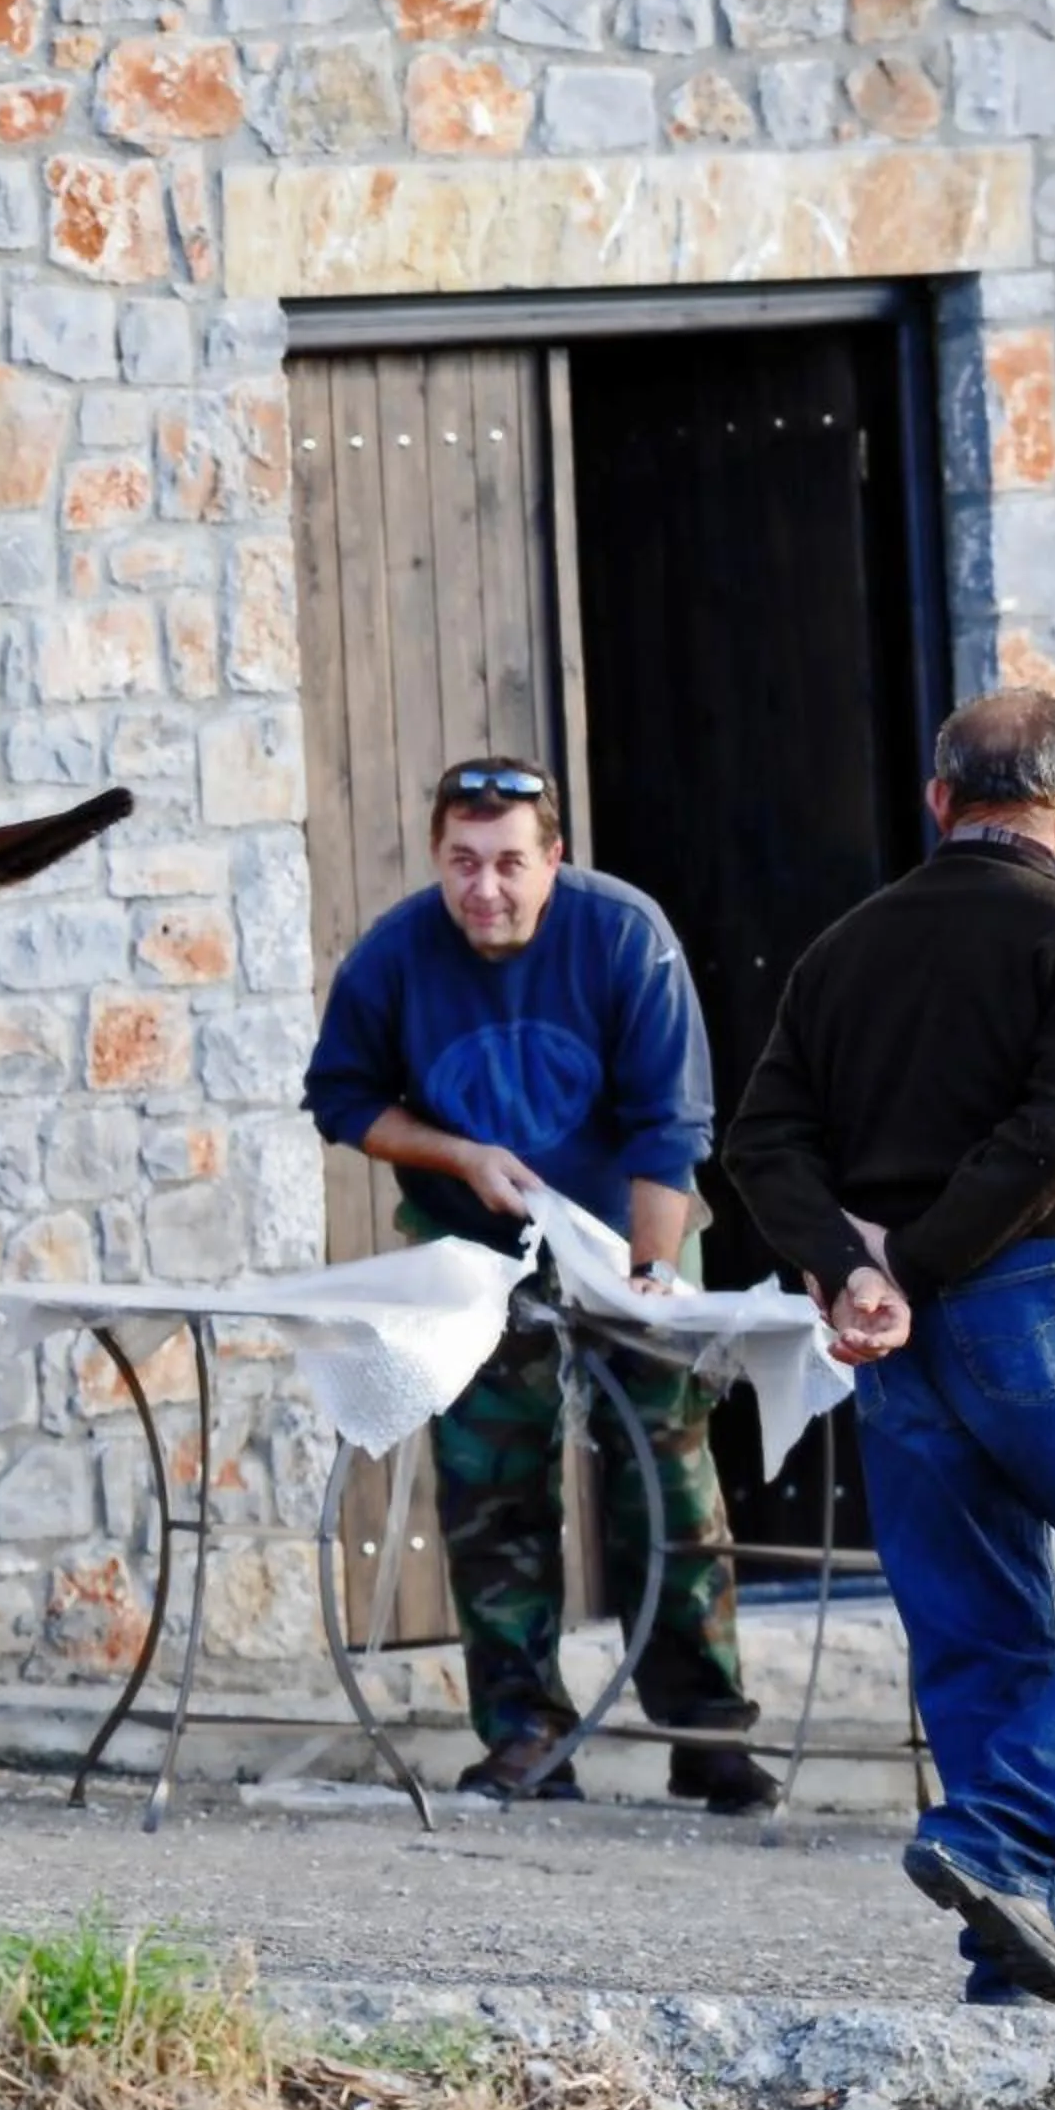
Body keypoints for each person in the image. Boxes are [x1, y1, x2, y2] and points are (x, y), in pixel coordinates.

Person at [725, 689, 1055, 2009]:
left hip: (902, 1348)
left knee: (977, 1639)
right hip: (1040, 1297)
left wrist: (857, 1273)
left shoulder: (844, 948)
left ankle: (1017, 1962)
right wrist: (916, 1268)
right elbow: (1051, 1144)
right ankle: (999, 1841)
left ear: (940, 801)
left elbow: (758, 1144)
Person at [304, 757, 778, 1814]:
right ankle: (524, 1733)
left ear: (553, 858)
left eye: (512, 863)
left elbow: (672, 1132)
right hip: (474, 1254)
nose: (486, 889)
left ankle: (708, 1737)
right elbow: (340, 1097)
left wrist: (652, 1278)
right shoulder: (393, 955)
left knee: (666, 1483)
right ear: (437, 857)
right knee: (491, 1493)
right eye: (464, 864)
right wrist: (460, 1156)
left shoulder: (623, 935)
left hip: (629, 1232)